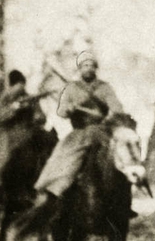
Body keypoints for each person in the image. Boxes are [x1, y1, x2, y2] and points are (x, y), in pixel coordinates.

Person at [33, 51, 124, 202]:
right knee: (60, 158)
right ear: (80, 69)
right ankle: (52, 194)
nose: (88, 68)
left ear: (96, 68)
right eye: (84, 66)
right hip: (79, 133)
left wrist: (110, 115)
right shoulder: (72, 88)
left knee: (120, 159)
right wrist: (69, 108)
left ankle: (122, 201)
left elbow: (117, 108)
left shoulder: (105, 88)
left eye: (91, 66)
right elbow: (61, 112)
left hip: (101, 130)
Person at [0, 70, 47, 187]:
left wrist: (36, 115)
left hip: (29, 132)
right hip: (10, 135)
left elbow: (41, 117)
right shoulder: (6, 98)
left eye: (22, 85)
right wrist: (14, 108)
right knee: (0, 166)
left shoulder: (30, 98)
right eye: (18, 85)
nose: (21, 88)